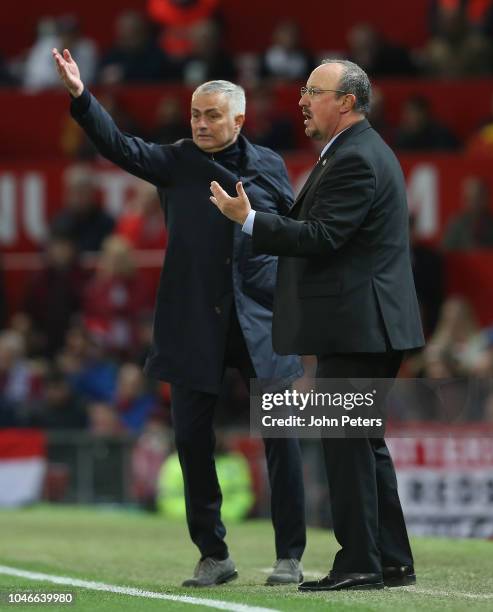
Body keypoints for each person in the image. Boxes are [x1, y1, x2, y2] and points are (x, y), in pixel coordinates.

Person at [52, 47, 306, 587]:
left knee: (283, 437)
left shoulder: (271, 166)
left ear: (239, 119)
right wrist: (81, 96)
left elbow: (292, 236)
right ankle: (214, 554)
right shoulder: (177, 160)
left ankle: (290, 555)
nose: (201, 123)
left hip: (262, 319)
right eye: (195, 114)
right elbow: (118, 147)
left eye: (212, 115)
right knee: (191, 440)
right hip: (194, 320)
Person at [210, 59, 425, 592]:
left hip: (359, 325)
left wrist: (250, 220)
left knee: (347, 444)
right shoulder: (359, 153)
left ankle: (359, 563)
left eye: (314, 91)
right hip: (367, 323)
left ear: (346, 102)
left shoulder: (354, 158)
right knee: (364, 443)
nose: (302, 100)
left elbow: (323, 236)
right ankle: (391, 558)